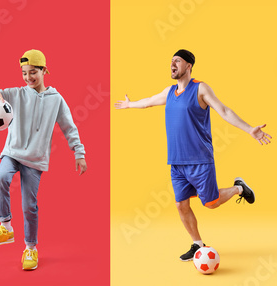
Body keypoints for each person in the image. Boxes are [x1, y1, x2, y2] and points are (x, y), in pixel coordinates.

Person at [114, 49, 269, 261]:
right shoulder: (169, 92)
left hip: (200, 160)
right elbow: (149, 101)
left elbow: (224, 111)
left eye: (177, 61)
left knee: (211, 203)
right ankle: (197, 244)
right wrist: (130, 104)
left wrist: (249, 128)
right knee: (181, 204)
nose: (172, 64)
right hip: (176, 162)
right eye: (170, 61)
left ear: (188, 66)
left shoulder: (200, 89)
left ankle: (239, 187)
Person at [0, 49, 87, 271]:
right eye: (24, 73)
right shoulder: (16, 94)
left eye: (33, 72)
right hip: (12, 152)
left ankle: (31, 248)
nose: (28, 78)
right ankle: (5, 226)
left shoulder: (56, 100)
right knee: (0, 178)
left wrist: (79, 152)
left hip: (35, 160)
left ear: (45, 70)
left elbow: (69, 127)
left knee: (29, 206)